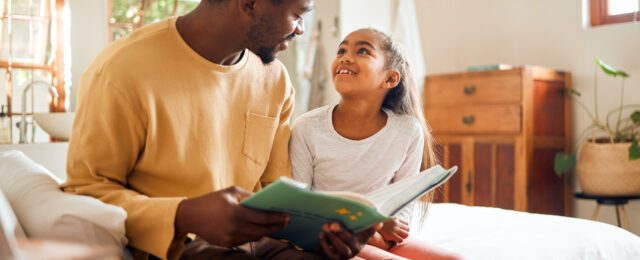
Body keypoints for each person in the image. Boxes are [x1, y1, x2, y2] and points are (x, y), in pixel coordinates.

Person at [62, 0, 378, 259]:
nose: (301, 29)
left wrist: (323, 234)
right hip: (175, 247)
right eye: (297, 14)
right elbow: (86, 191)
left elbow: (278, 192)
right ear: (251, 4)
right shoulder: (121, 71)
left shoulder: (275, 79)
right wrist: (183, 214)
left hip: (260, 242)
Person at [290, 28, 462, 260]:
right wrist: (375, 227)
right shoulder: (306, 127)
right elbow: (300, 208)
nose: (345, 57)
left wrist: (385, 231)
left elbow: (404, 204)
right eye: (341, 50)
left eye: (362, 51)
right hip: (332, 238)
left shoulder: (407, 130)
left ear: (390, 78)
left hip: (383, 234)